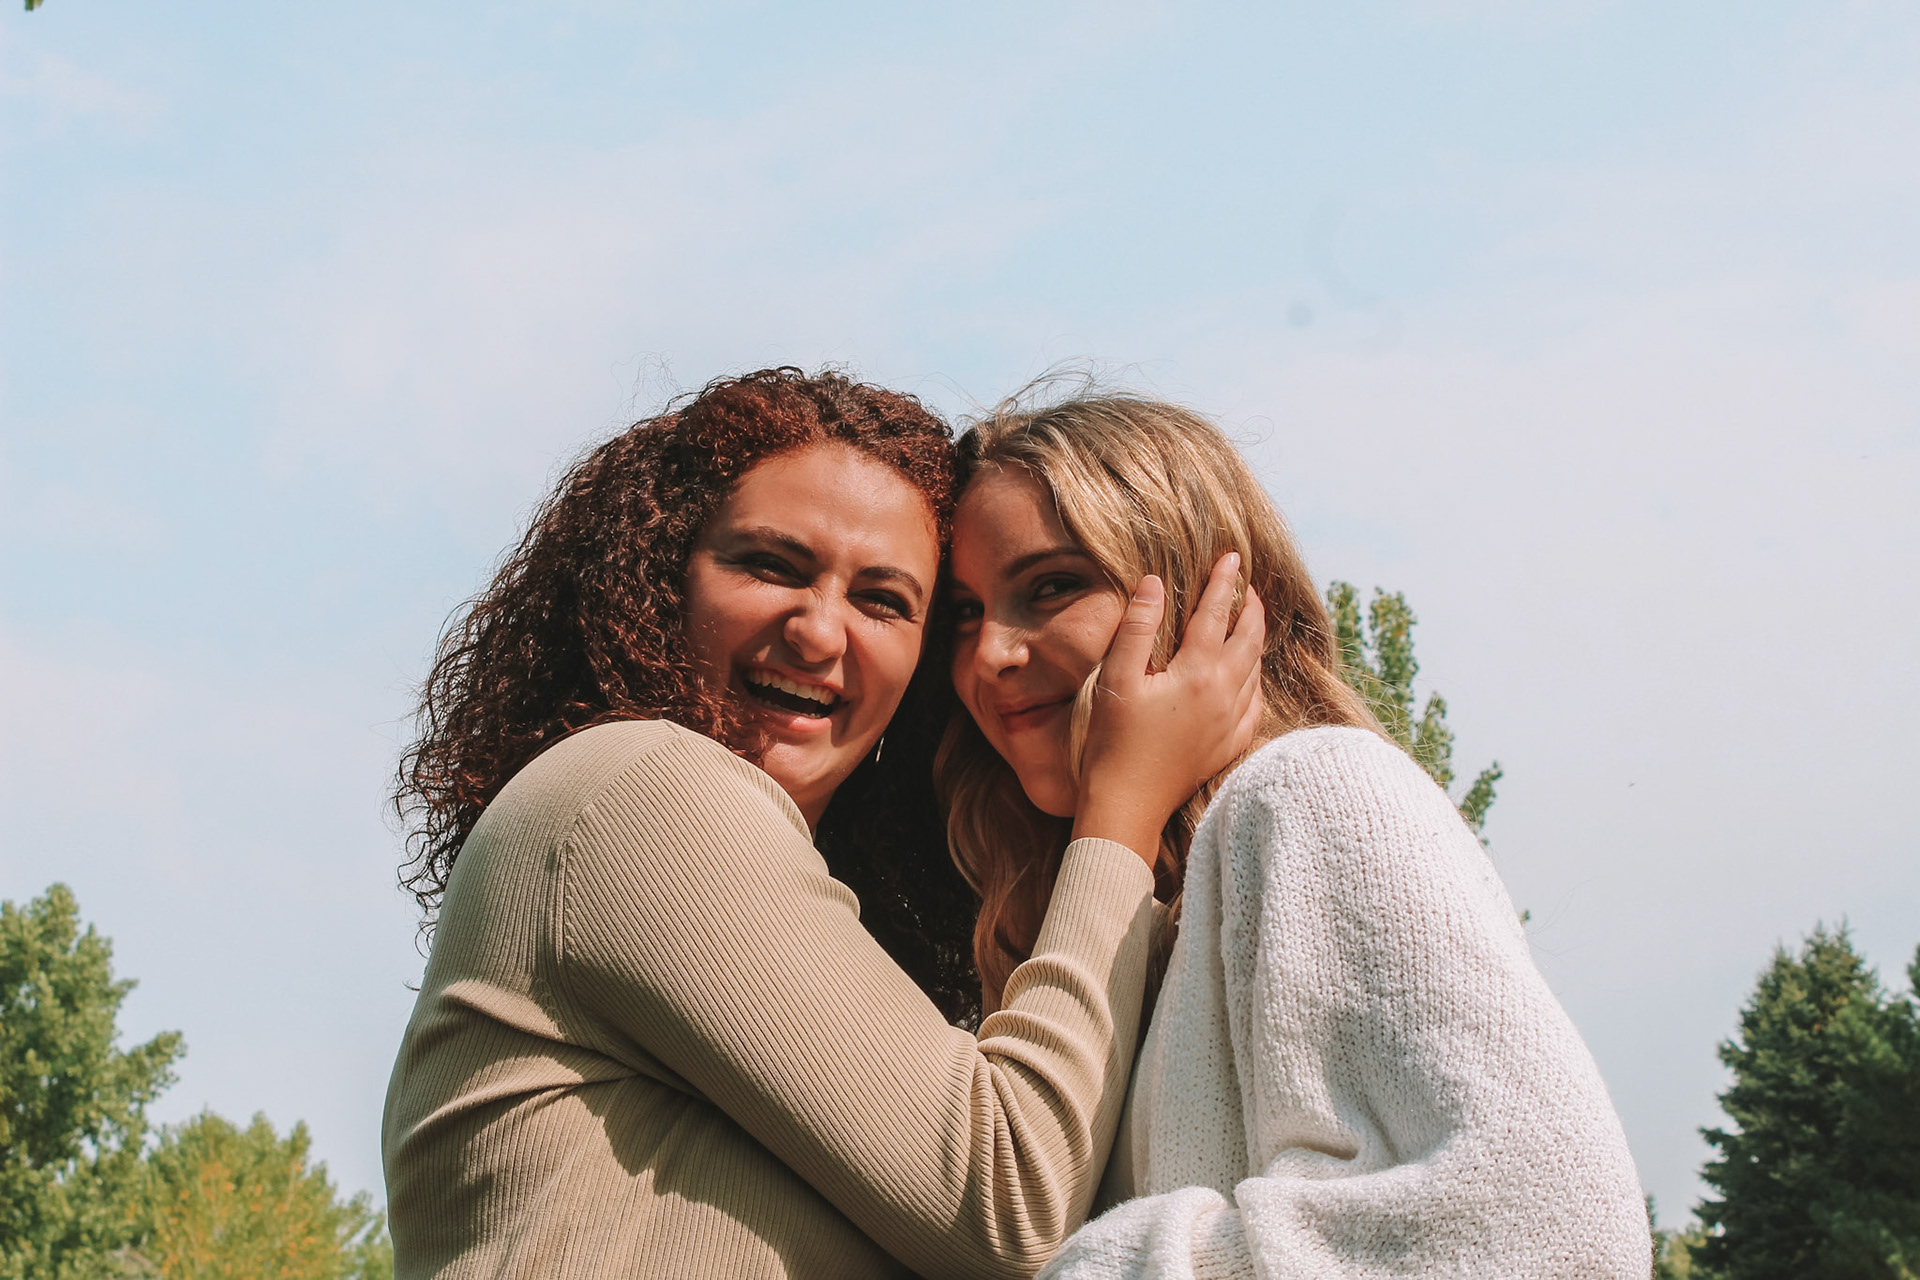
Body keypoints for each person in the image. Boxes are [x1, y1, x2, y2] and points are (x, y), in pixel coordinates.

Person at [381, 368, 1266, 1280]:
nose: (817, 633)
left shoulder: (808, 907)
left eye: (883, 600)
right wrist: (1122, 807)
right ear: (656, 577)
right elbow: (1009, 1201)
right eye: (771, 566)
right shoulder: (638, 787)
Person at [938, 391, 1652, 1278]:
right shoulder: (1092, 920)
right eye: (962, 613)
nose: (991, 655)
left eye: (1052, 587)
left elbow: (1549, 1230)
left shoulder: (1316, 794)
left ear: (1214, 598)